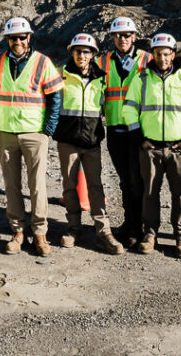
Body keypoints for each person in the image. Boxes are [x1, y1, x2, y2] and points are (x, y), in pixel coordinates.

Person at [123, 33, 181, 259]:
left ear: (173, 54)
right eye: (158, 54)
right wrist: (139, 137)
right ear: (153, 54)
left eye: (166, 54)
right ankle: (150, 234)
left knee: (180, 194)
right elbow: (129, 109)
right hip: (150, 148)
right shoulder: (142, 79)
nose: (162, 58)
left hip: (179, 149)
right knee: (150, 193)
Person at [0, 16, 64, 257]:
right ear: (7, 40)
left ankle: (40, 233)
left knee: (37, 186)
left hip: (35, 133)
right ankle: (18, 232)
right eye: (13, 38)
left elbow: (55, 96)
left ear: (28, 38)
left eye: (21, 37)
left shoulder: (43, 62)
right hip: (6, 132)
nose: (18, 41)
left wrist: (48, 129)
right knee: (11, 185)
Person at [54, 33, 124, 255]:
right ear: (72, 53)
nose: (81, 55)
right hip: (67, 141)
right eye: (77, 51)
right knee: (69, 186)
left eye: (86, 51)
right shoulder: (61, 76)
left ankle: (103, 231)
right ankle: (73, 229)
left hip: (92, 141)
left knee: (95, 186)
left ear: (93, 54)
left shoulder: (102, 78)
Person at [97, 16, 152, 248]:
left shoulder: (147, 60)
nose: (123, 39)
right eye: (118, 35)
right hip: (115, 129)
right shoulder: (102, 62)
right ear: (112, 38)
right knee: (125, 181)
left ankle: (137, 228)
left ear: (135, 37)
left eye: (127, 35)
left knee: (136, 181)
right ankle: (130, 224)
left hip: (137, 130)